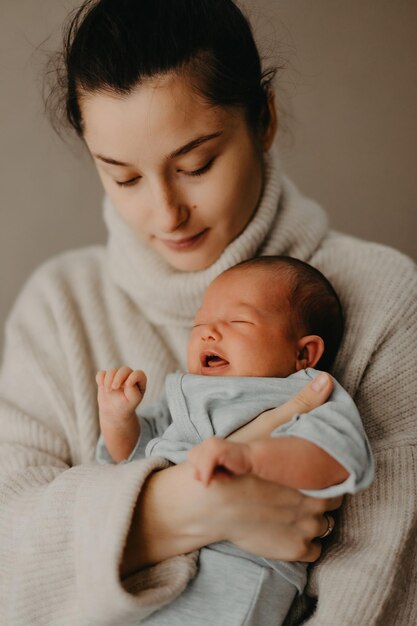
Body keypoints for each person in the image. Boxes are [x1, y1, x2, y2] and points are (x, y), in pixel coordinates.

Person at [0, 0, 415, 624]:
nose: (167, 213)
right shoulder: (57, 307)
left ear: (265, 120)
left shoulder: (382, 295)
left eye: (196, 165)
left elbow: (384, 586)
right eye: (125, 178)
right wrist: (177, 511)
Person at [95, 256, 374, 625]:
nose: (208, 332)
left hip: (241, 565)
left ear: (303, 354)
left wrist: (252, 458)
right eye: (201, 323)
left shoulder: (307, 393)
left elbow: (335, 457)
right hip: (161, 557)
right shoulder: (182, 396)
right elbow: (132, 459)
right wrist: (118, 418)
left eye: (237, 321)